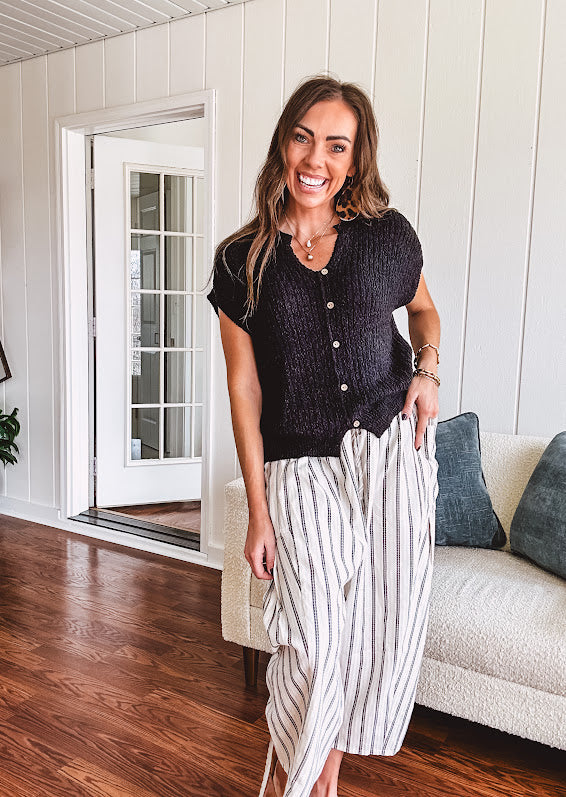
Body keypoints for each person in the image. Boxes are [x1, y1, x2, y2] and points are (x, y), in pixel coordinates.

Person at [207, 75, 440, 797]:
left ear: (355, 157)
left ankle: (319, 784)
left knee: (375, 634)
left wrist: (427, 370)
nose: (316, 159)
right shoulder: (240, 259)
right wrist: (258, 510)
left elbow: (424, 312)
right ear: (283, 142)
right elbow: (244, 389)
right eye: (304, 137)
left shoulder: (387, 236)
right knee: (312, 641)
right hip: (299, 465)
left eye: (337, 145)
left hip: (392, 453)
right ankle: (299, 781)